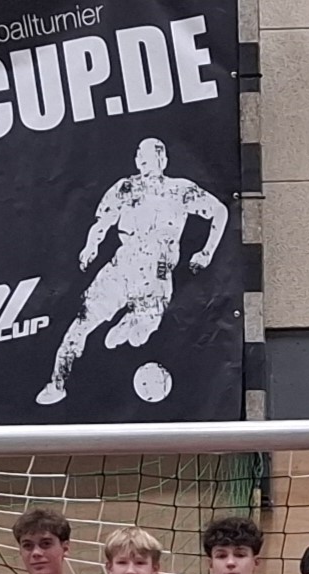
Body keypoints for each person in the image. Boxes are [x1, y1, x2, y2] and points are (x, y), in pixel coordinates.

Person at [37, 136, 230, 406]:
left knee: (142, 334)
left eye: (154, 156)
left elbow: (219, 211)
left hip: (156, 273)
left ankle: (131, 324)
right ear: (137, 160)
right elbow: (102, 223)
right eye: (143, 156)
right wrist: (91, 246)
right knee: (81, 322)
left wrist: (206, 253)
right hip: (123, 267)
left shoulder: (179, 190)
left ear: (163, 160)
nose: (147, 161)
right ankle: (56, 383)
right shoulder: (125, 188)